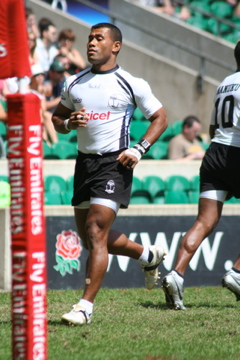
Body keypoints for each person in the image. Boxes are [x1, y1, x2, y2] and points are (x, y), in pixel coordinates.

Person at [52, 22, 168, 326]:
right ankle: (147, 255)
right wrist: (67, 124)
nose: (91, 43)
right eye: (90, 38)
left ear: (115, 46)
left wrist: (139, 148)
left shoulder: (132, 83)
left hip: (114, 164)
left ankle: (84, 307)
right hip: (84, 164)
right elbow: (57, 118)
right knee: (91, 239)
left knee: (95, 229)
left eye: (99, 39)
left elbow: (160, 117)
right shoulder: (74, 82)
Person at [162, 41, 240, 310]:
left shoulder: (225, 82)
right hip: (237, 153)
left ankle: (176, 273)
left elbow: (212, 126)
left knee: (205, 220)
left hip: (214, 153)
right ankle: (237, 273)